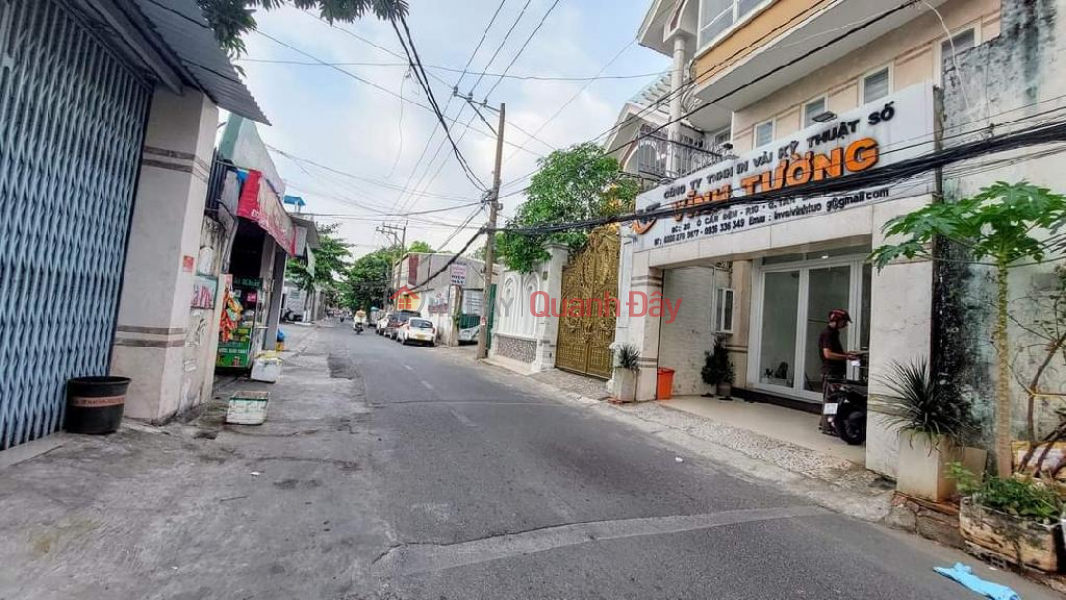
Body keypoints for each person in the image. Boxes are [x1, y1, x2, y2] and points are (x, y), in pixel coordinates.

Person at [819, 309, 854, 433]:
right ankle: (827, 427)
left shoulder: (834, 333)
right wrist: (846, 357)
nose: (845, 325)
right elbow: (827, 354)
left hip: (835, 371)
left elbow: (833, 352)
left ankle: (824, 423)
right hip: (831, 372)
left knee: (831, 398)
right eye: (844, 321)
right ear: (837, 320)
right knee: (831, 399)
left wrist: (845, 354)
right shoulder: (828, 334)